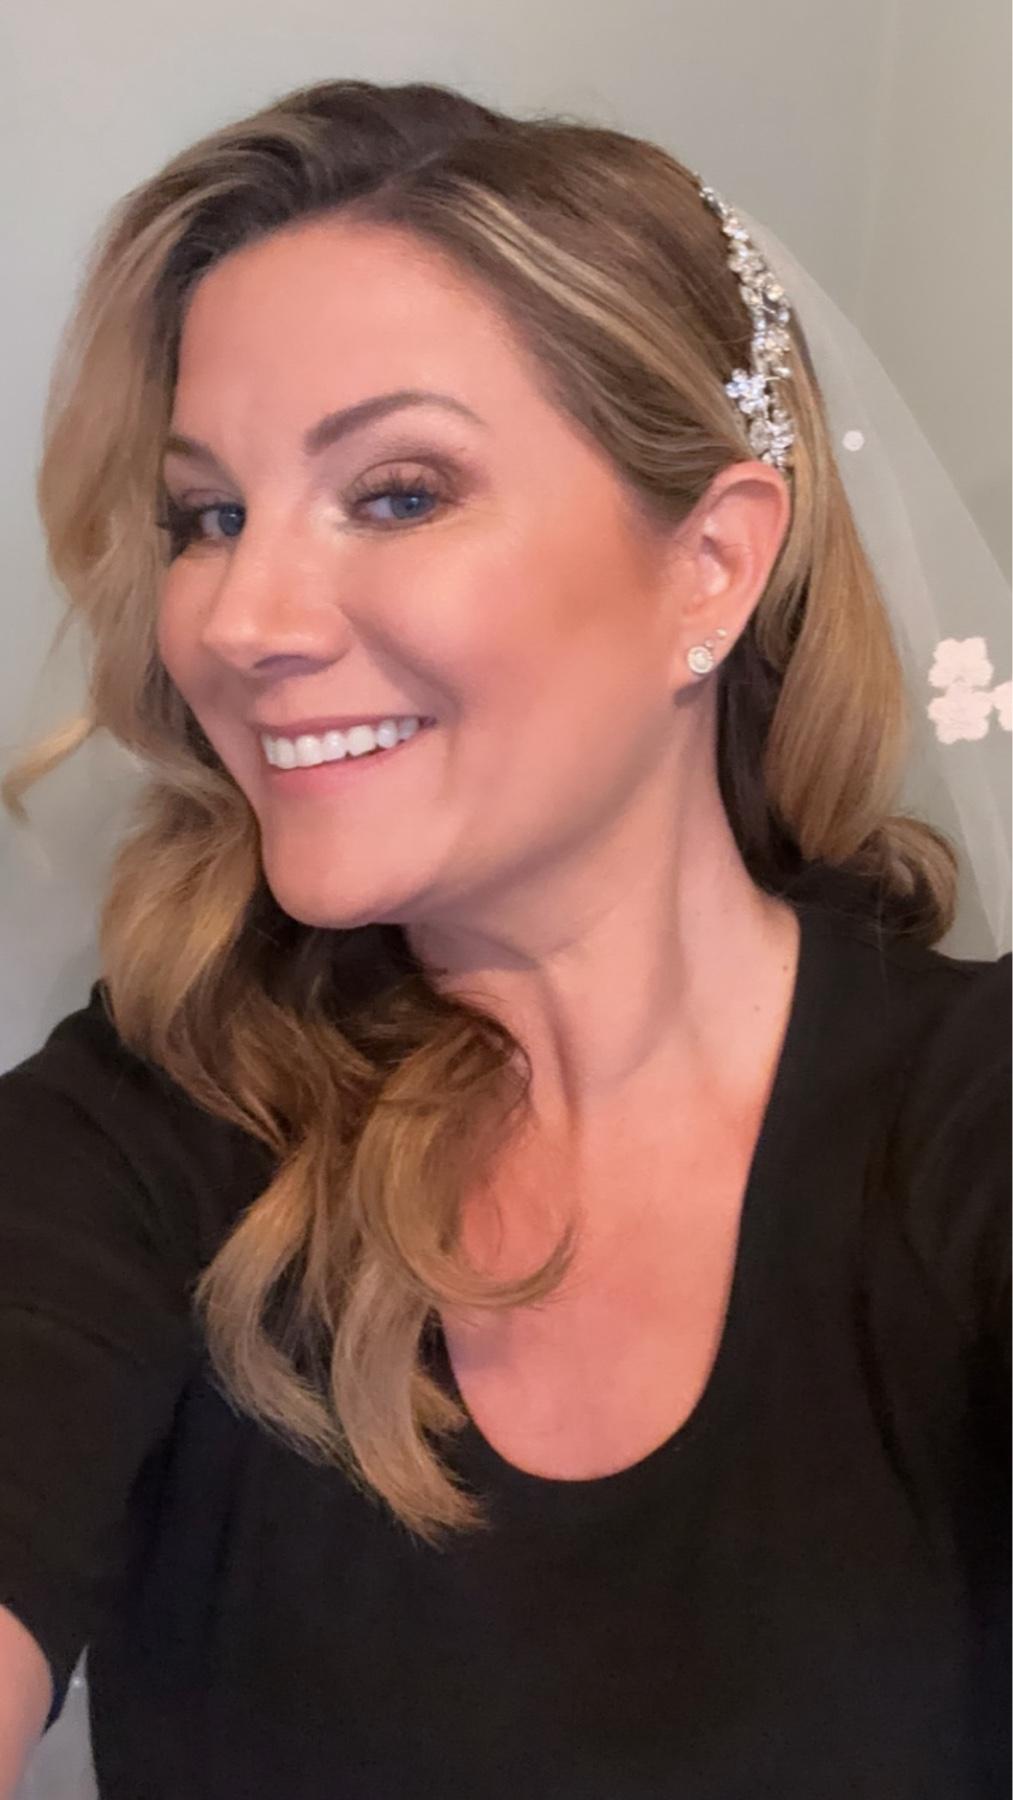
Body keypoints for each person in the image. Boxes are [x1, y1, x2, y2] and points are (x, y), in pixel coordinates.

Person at [0, 77, 1009, 1800]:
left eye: (395, 493)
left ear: (709, 565)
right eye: (206, 516)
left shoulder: (970, 1117)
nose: (238, 623)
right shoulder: (147, 1132)